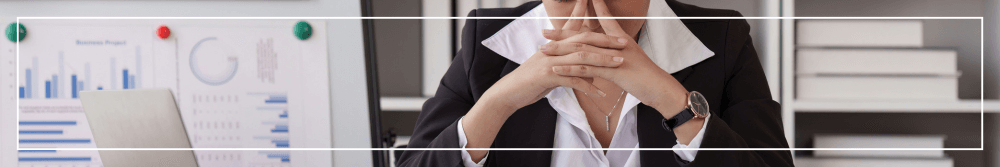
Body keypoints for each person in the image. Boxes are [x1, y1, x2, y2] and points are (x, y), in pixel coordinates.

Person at [398, 0, 793, 166]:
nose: (589, 14)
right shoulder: (490, 41)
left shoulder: (721, 37)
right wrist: (501, 99)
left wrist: (669, 97)